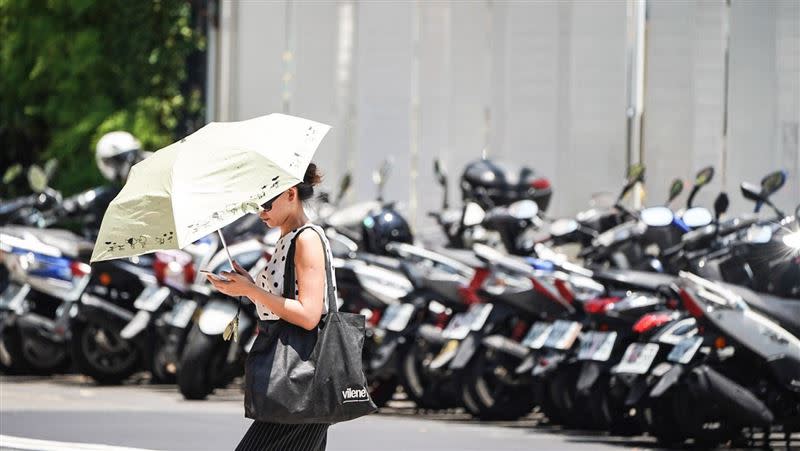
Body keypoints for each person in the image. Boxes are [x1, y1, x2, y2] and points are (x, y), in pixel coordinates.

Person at [206, 163, 335, 451]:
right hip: (294, 384)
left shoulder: (307, 239)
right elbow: (283, 303)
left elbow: (309, 315)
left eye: (265, 203)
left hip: (301, 380)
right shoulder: (287, 238)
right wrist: (247, 287)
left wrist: (251, 290)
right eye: (256, 204)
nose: (260, 212)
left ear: (290, 194)